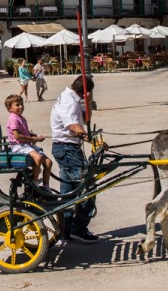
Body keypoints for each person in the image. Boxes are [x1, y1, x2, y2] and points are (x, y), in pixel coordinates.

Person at [50, 75, 100, 243]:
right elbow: (72, 126)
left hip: (68, 148)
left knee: (68, 193)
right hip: (67, 149)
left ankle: (65, 230)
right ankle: (78, 228)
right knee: (88, 188)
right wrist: (87, 137)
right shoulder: (68, 101)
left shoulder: (73, 98)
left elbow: (86, 118)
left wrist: (88, 101)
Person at [5, 94, 52, 189]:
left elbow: (24, 133)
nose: (21, 107)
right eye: (17, 105)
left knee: (48, 162)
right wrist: (32, 139)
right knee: (38, 158)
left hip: (25, 145)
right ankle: (35, 184)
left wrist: (34, 136)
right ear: (9, 108)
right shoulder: (13, 118)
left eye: (21, 104)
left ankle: (46, 187)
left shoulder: (20, 117)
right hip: (18, 146)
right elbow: (17, 136)